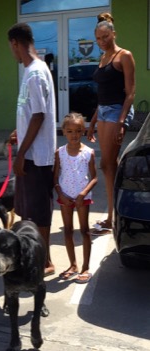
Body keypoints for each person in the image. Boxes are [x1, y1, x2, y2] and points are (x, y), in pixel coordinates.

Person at [8, 22, 57, 277]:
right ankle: (37, 258)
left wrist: (21, 153)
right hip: (30, 152)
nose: (12, 53)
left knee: (38, 213)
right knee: (29, 211)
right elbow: (32, 115)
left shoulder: (36, 73)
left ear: (16, 43)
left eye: (11, 48)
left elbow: (39, 116)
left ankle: (45, 261)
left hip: (36, 157)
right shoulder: (31, 72)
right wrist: (19, 133)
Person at [87, 12, 135, 235]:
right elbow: (102, 95)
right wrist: (92, 122)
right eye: (98, 38)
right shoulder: (103, 58)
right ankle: (117, 214)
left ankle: (113, 216)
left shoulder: (124, 56)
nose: (102, 42)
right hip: (104, 112)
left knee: (107, 165)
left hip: (117, 111)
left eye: (105, 37)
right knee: (109, 165)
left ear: (113, 33)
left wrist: (122, 121)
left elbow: (131, 92)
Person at [54, 113, 98, 284]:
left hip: (82, 199)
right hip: (65, 198)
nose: (74, 135)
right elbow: (55, 177)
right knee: (67, 230)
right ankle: (72, 265)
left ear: (83, 131)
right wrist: (60, 194)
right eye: (70, 131)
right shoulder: (60, 153)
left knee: (85, 231)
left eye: (78, 131)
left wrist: (83, 194)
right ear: (64, 131)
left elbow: (94, 177)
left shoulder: (88, 153)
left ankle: (85, 267)